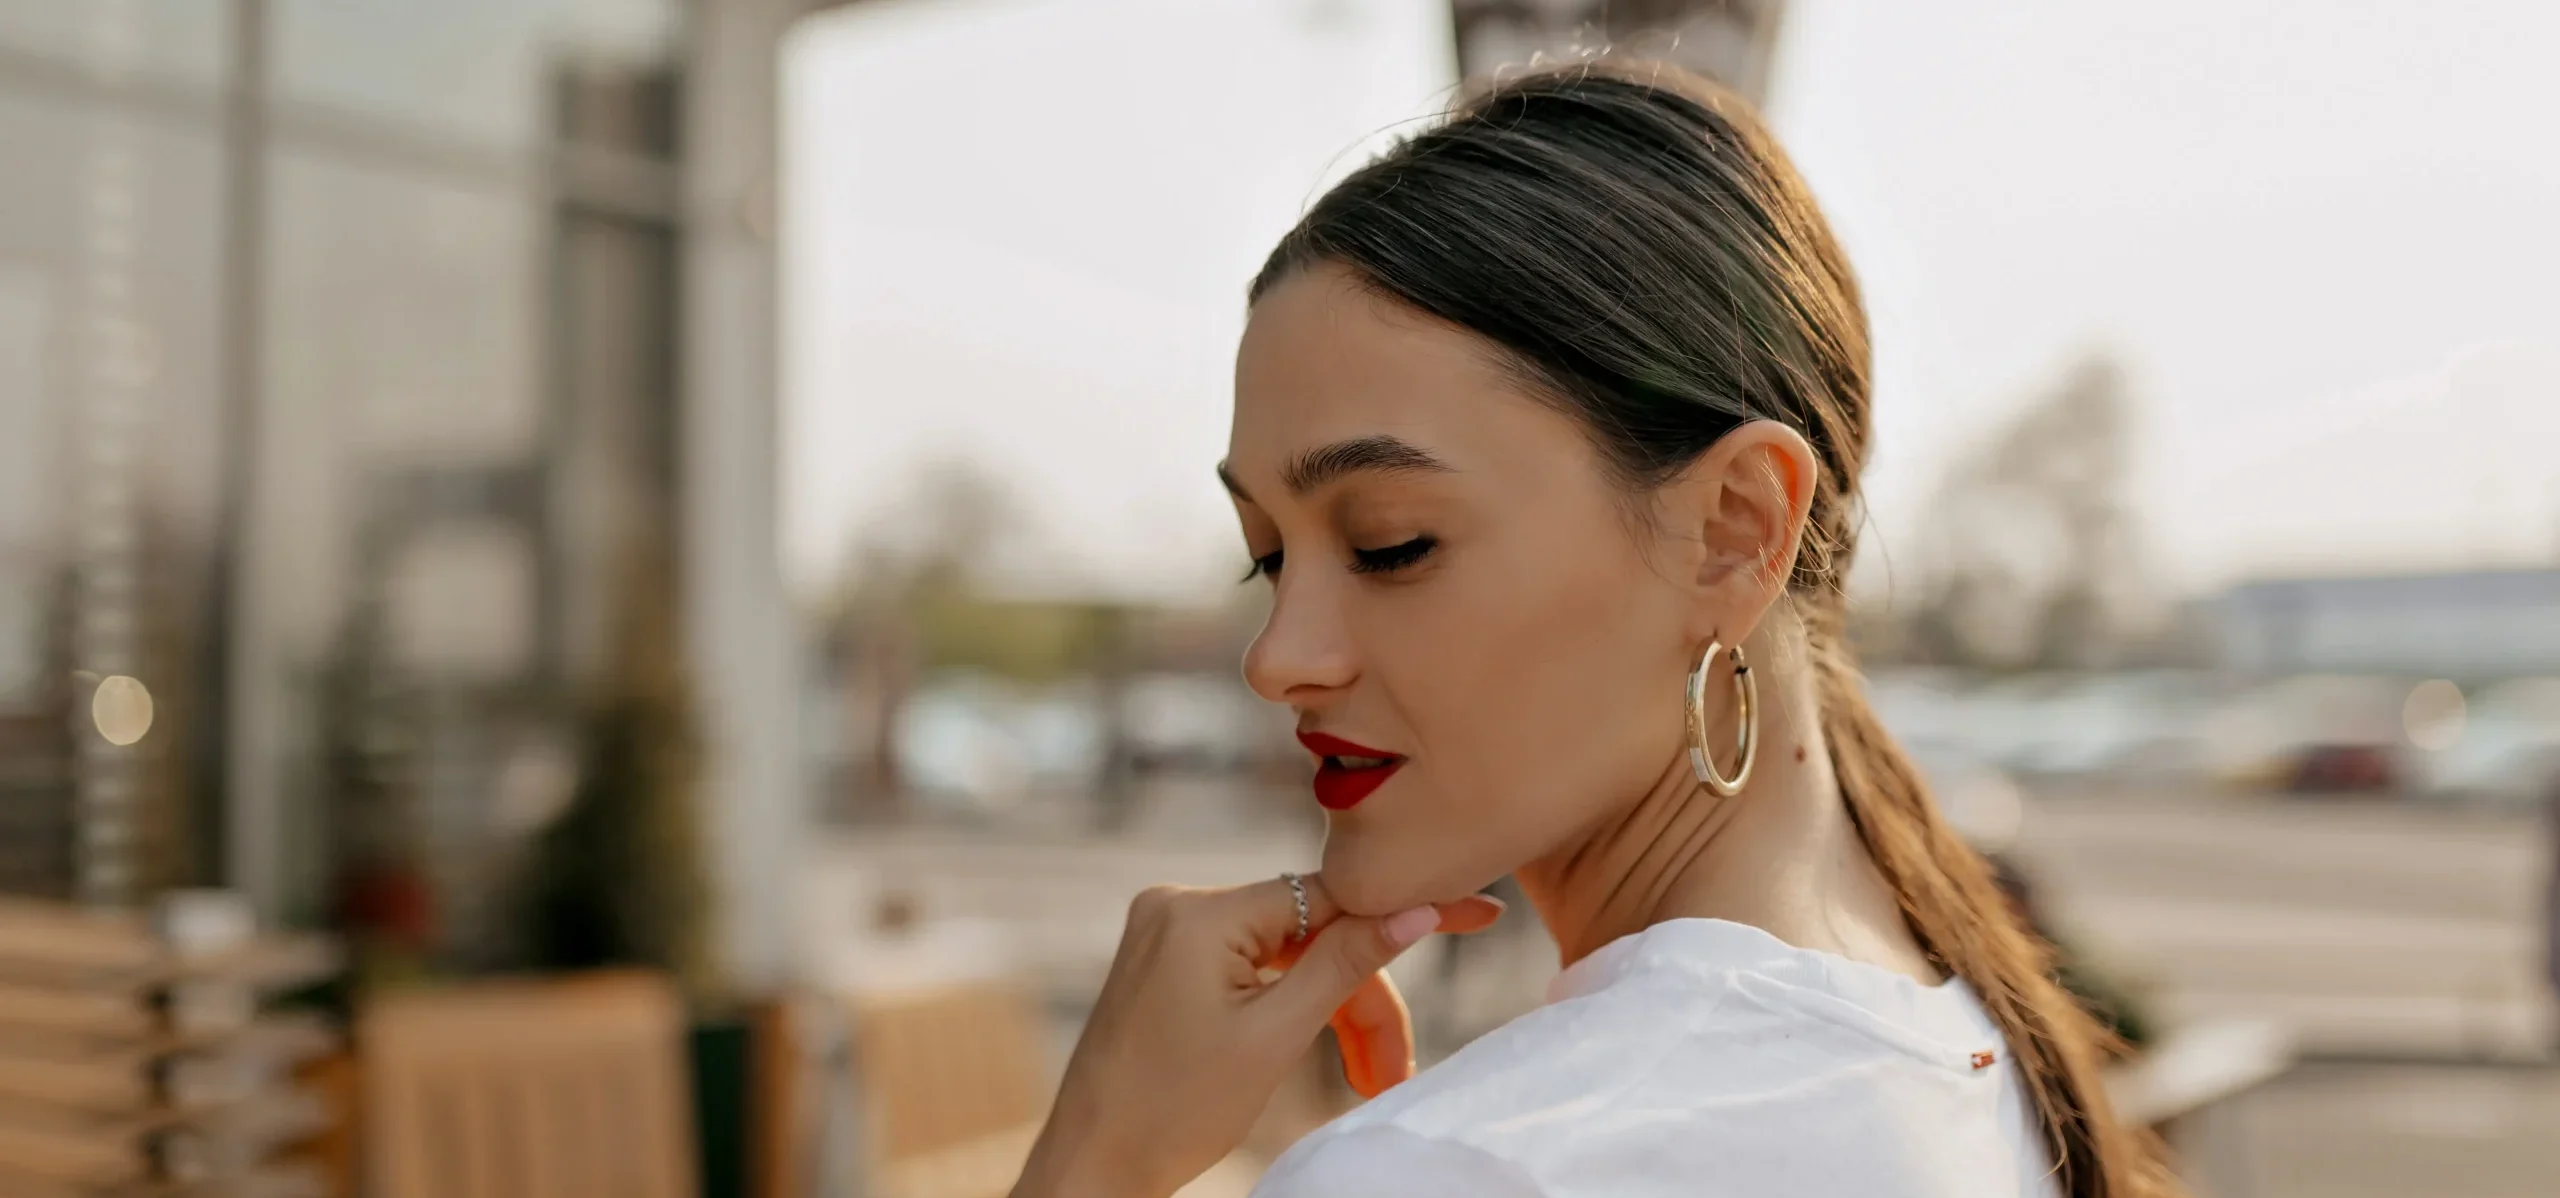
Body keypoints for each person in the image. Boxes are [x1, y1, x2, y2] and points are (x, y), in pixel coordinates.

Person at [1008, 63, 2180, 1198]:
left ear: (1732, 529)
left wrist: (1097, 1161)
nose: (1278, 658)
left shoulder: (1468, 1166)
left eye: (1388, 543)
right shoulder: (1970, 1060)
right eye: (1267, 555)